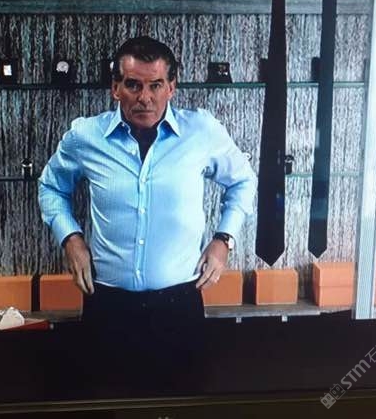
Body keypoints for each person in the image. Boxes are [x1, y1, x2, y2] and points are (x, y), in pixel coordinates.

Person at [38, 36, 257, 332]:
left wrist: (224, 240)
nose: (145, 97)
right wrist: (70, 239)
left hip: (180, 305)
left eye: (155, 85)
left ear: (171, 87)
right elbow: (51, 188)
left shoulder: (201, 131)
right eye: (133, 85)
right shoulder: (85, 136)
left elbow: (243, 180)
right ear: (116, 88)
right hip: (107, 305)